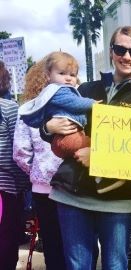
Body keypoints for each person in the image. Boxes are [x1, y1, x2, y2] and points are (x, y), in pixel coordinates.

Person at [40, 25, 131, 270]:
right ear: (112, 52)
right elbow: (50, 123)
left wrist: (100, 156)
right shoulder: (84, 90)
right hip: (71, 193)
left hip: (118, 199)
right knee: (77, 266)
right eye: (120, 49)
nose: (127, 57)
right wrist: (48, 128)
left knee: (116, 266)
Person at [13, 60, 66, 269]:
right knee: (74, 244)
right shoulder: (70, 106)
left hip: (43, 189)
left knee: (52, 243)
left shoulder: (27, 109)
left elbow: (21, 152)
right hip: (70, 187)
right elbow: (21, 151)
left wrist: (37, 172)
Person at [18, 51, 96, 159]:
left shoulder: (74, 89)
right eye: (62, 73)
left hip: (65, 151)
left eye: (72, 75)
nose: (68, 78)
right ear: (48, 75)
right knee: (92, 145)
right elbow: (74, 103)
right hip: (65, 141)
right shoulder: (57, 91)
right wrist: (93, 103)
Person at [0, 97, 31, 269]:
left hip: (5, 188)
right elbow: (17, 149)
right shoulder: (8, 107)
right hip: (6, 187)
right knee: (5, 242)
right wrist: (24, 186)